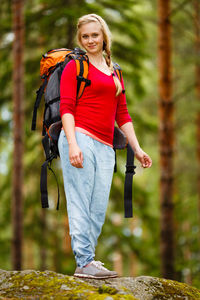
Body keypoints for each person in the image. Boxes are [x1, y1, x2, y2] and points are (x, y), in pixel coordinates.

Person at [58, 13, 152, 279]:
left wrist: (138, 149)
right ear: (81, 38)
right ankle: (84, 260)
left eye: (95, 35)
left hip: (105, 147)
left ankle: (89, 260)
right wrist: (73, 144)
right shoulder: (75, 68)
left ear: (104, 36)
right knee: (80, 201)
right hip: (79, 137)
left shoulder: (114, 70)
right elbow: (66, 108)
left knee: (98, 206)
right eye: (85, 36)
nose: (90, 40)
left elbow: (122, 115)